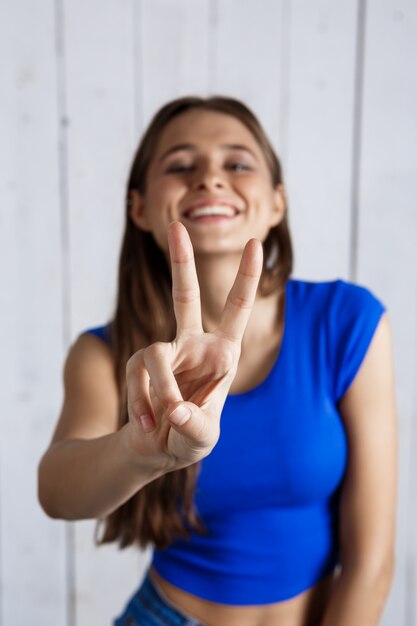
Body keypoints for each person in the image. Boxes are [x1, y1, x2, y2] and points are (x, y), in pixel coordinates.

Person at [38, 96, 397, 626]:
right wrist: (140, 452)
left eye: (238, 163)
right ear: (138, 207)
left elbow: (371, 563)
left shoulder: (346, 321)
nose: (209, 178)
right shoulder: (104, 354)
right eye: (181, 165)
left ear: (277, 202)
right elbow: (57, 492)